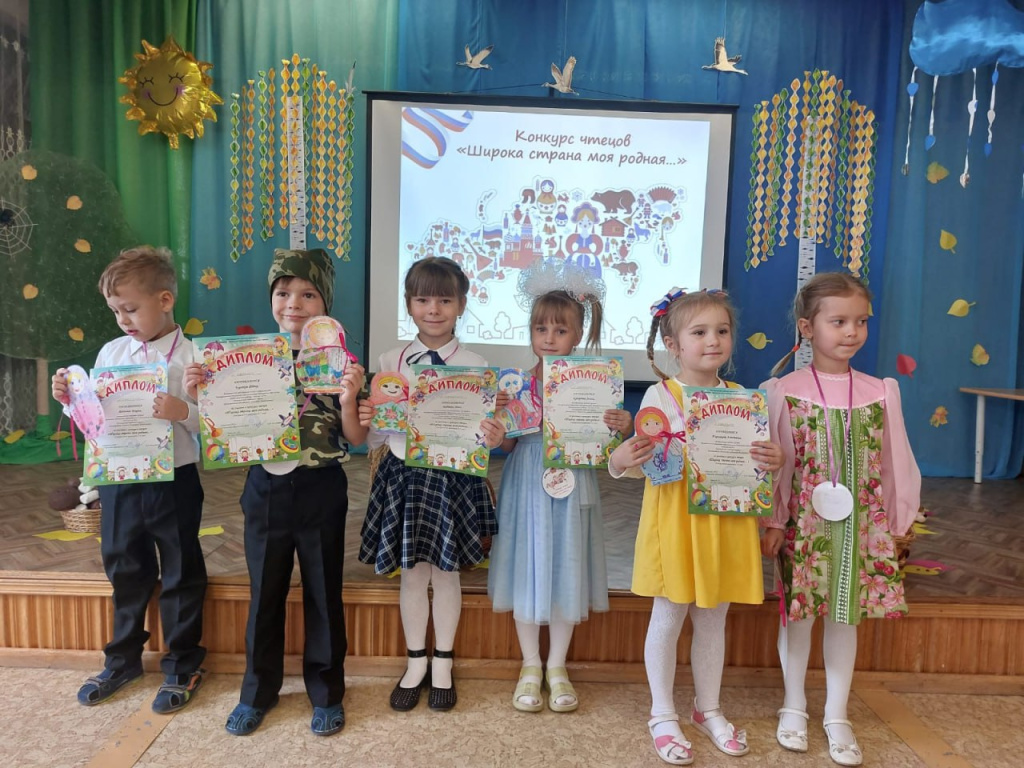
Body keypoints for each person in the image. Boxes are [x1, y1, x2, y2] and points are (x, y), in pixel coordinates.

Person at [189, 248, 367, 737]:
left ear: (325, 302)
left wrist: (350, 397)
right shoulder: (243, 359)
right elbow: (220, 427)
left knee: (323, 592)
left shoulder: (343, 362)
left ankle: (327, 693)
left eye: (308, 294)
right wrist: (201, 394)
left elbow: (355, 437)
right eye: (284, 293)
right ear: (271, 299)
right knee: (264, 592)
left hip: (322, 487)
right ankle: (257, 691)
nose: (294, 303)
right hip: (265, 487)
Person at [608, 288, 784, 765]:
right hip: (676, 523)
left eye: (722, 331)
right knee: (668, 616)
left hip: (725, 523)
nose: (713, 341)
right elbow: (642, 463)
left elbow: (755, 469)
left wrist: (772, 460)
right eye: (700, 332)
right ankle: (662, 713)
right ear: (673, 343)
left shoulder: (743, 398)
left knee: (712, 618)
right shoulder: (659, 396)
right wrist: (620, 460)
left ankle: (708, 708)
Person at [760, 272, 920, 767]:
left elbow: (895, 461)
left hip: (861, 526)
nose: (852, 331)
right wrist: (774, 520)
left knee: (844, 616)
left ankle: (837, 713)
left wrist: (898, 521)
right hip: (804, 527)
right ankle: (793, 705)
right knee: (799, 615)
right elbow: (777, 463)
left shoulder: (880, 391)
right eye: (839, 322)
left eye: (861, 321)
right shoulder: (782, 391)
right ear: (807, 328)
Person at [51, 246, 208, 714]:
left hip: (174, 479)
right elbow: (94, 419)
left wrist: (183, 410)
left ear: (165, 299)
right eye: (115, 311)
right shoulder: (110, 352)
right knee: (123, 567)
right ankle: (122, 660)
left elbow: (216, 426)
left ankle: (183, 663)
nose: (122, 319)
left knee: (180, 569)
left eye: (130, 308)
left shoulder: (194, 357)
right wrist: (70, 401)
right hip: (120, 479)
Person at [358, 256, 506, 712]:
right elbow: (378, 433)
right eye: (423, 300)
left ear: (461, 305)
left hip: (453, 480)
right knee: (412, 573)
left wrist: (493, 434)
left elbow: (481, 432)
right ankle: (415, 661)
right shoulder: (390, 361)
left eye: (444, 300)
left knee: (447, 573)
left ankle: (443, 661)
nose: (433, 310)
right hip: (404, 475)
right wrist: (371, 419)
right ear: (409, 304)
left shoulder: (477, 365)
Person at [488, 287, 632, 713]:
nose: (549, 338)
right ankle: (530, 664)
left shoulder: (596, 383)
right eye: (540, 328)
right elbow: (507, 446)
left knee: (569, 563)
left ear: (578, 334)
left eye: (560, 330)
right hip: (526, 480)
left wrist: (621, 426)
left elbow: (608, 448)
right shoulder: (515, 384)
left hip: (573, 476)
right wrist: (498, 425)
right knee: (525, 565)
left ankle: (557, 665)